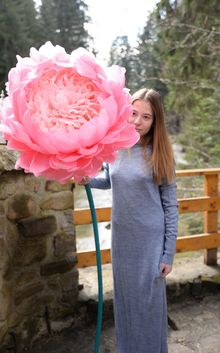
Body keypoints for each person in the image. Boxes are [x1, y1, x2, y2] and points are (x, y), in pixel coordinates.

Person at [81, 88, 178, 353]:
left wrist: (167, 254)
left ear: (155, 121)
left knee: (148, 304)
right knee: (126, 302)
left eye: (146, 117)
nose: (137, 121)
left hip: (150, 243)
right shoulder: (115, 148)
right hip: (123, 239)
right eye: (133, 113)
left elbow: (171, 207)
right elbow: (110, 181)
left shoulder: (160, 154)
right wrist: (87, 179)